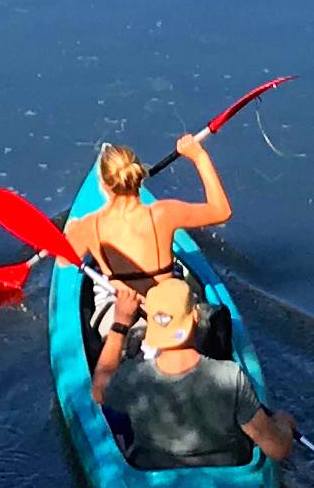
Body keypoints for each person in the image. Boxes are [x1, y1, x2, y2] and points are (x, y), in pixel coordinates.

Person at [92, 268, 294, 470]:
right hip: (227, 472)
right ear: (196, 318)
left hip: (157, 472)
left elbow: (99, 390)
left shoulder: (132, 377)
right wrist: (284, 424)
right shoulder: (230, 377)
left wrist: (120, 325)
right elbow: (277, 449)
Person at [68, 131, 232, 343]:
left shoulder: (90, 226)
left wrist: (72, 230)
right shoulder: (164, 214)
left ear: (104, 185)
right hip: (172, 313)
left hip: (125, 318)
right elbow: (222, 211)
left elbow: (65, 260)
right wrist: (199, 156)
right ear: (138, 176)